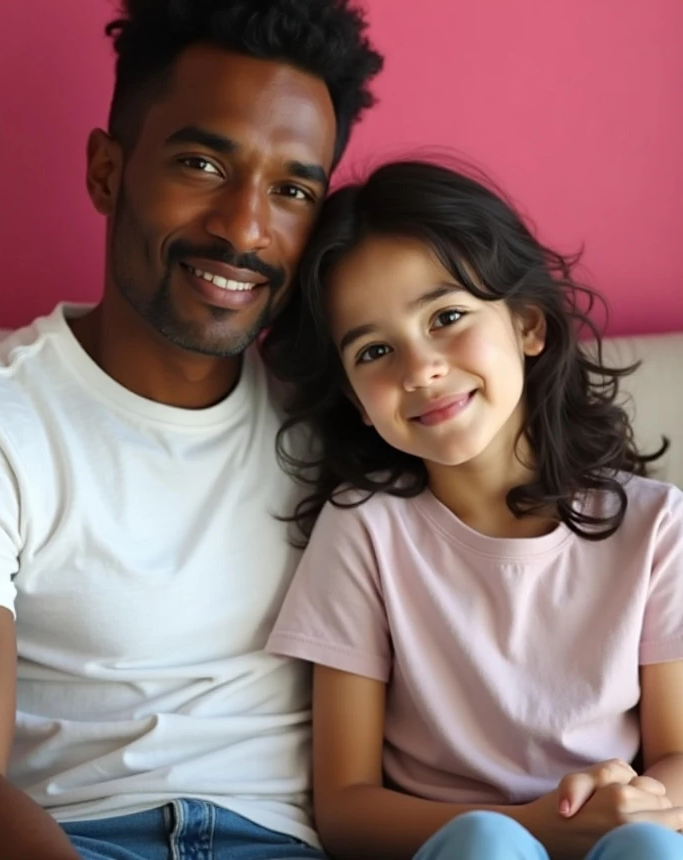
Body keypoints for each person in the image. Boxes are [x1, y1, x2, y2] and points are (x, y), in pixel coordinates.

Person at [0, 0, 382, 860]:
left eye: (292, 189)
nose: (245, 227)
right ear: (106, 171)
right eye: (204, 166)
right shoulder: (9, 416)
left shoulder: (349, 411)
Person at [263, 159, 683, 860]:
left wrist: (632, 802)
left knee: (649, 848)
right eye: (374, 351)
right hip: (452, 849)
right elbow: (344, 808)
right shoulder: (365, 531)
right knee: (487, 844)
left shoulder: (655, 527)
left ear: (528, 324)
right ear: (357, 406)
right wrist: (535, 827)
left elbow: (677, 756)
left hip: (611, 840)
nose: (420, 368)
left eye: (448, 317)